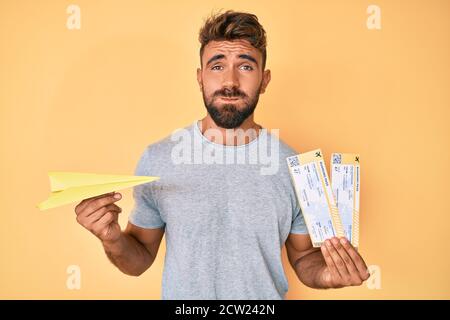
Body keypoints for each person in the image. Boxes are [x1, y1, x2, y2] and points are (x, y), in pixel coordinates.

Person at [75, 10, 370, 299]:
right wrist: (111, 237)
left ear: (264, 80)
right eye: (217, 66)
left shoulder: (294, 167)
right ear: (200, 77)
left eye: (245, 66)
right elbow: (138, 259)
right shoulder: (159, 158)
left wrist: (327, 274)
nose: (230, 81)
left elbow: (304, 256)